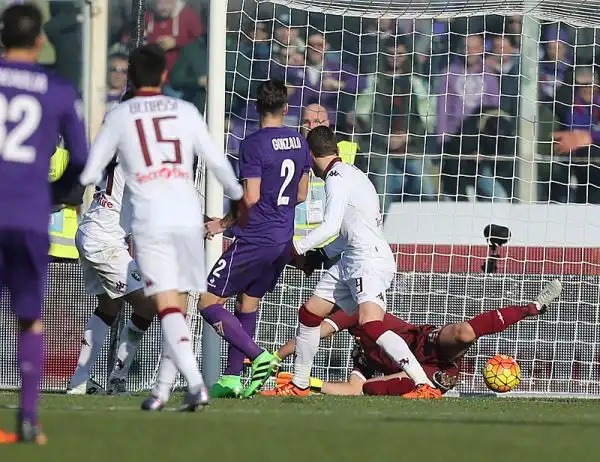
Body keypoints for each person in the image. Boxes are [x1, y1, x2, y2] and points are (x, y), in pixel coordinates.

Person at [79, 44, 243, 411]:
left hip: (151, 220)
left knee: (164, 306)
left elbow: (90, 172)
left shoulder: (120, 117)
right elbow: (220, 167)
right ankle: (169, 388)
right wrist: (236, 198)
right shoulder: (185, 111)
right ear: (165, 77)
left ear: (131, 77)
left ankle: (188, 386)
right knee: (172, 307)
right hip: (184, 214)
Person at [263, 126, 440, 399]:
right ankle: (299, 385)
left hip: (368, 260)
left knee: (371, 325)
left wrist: (292, 248)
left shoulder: (336, 178)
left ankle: (423, 383)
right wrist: (319, 256)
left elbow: (330, 226)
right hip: (351, 259)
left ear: (310, 155)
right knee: (309, 314)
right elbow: (348, 232)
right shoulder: (349, 174)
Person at [0, 3, 88, 444]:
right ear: (40, 40)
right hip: (31, 215)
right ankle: (29, 419)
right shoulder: (56, 88)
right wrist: (54, 194)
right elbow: (82, 159)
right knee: (29, 318)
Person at [199, 79, 311, 399]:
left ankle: (258, 356)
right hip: (282, 240)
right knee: (247, 302)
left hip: (256, 237)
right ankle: (233, 380)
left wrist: (222, 224)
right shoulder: (299, 142)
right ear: (286, 109)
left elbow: (250, 196)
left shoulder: (253, 144)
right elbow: (301, 194)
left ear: (258, 107)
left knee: (207, 302)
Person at [268, 280, 563, 396]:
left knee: (464, 332)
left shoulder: (356, 311)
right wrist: (309, 383)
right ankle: (429, 386)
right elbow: (353, 389)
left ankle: (532, 308)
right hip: (430, 371)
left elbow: (314, 333)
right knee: (369, 390)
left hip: (421, 344)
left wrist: (275, 357)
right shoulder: (361, 352)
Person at [66, 158, 155, 396]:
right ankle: (117, 380)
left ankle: (79, 381)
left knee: (110, 305)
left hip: (90, 231)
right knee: (148, 305)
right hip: (104, 241)